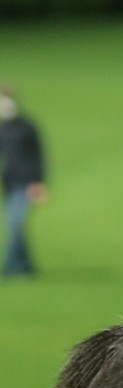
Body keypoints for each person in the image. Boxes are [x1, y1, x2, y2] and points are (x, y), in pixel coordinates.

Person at [0, 87, 48, 278]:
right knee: (15, 225)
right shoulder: (3, 129)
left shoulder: (27, 127)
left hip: (27, 182)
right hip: (9, 183)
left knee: (15, 223)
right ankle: (26, 266)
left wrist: (38, 182)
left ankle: (10, 268)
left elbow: (39, 156)